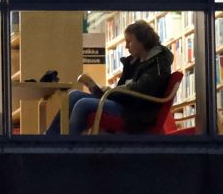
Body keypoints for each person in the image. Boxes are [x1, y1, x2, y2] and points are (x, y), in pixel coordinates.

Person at [46, 20, 174, 135]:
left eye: (130, 41)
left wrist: (109, 92)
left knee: (82, 104)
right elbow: (124, 87)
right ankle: (50, 139)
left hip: (136, 113)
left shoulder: (158, 63)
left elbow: (141, 89)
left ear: (143, 41)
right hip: (125, 104)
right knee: (73, 95)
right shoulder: (135, 61)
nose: (126, 46)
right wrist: (108, 90)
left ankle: (69, 149)